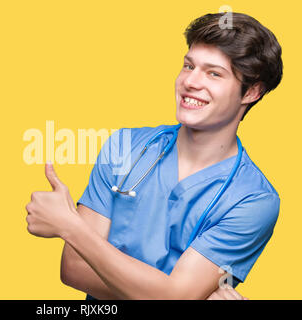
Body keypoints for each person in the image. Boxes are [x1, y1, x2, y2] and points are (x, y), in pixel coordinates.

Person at [25, 12, 283, 300]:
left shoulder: (253, 199)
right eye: (188, 66)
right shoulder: (125, 146)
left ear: (253, 92)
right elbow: (74, 269)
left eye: (213, 73)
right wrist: (179, 295)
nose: (190, 82)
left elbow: (173, 298)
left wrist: (71, 227)